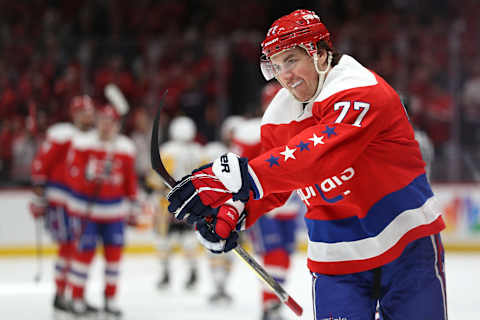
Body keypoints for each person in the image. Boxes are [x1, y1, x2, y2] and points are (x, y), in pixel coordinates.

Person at [166, 9, 447, 320]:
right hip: (336, 258)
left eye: (291, 60)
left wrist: (234, 176)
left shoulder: (363, 89)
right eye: (276, 64)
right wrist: (234, 211)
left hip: (406, 245)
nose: (284, 74)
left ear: (321, 54)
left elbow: (318, 156)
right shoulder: (278, 114)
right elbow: (279, 184)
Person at [231, 82, 303, 320]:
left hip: (290, 205)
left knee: (284, 257)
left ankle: (272, 303)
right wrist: (238, 204)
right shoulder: (251, 131)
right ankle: (268, 304)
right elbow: (238, 172)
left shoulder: (302, 125)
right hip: (265, 206)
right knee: (274, 255)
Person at [65, 104, 139, 318]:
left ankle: (110, 298)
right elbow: (72, 177)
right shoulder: (83, 144)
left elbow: (129, 180)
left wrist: (133, 203)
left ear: (116, 125)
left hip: (114, 212)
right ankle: (77, 298)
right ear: (97, 123)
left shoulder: (124, 147)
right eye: (103, 121)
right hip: (87, 210)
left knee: (114, 258)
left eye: (111, 122)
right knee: (84, 256)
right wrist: (87, 176)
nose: (106, 126)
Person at [30, 95, 95, 316]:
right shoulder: (62, 134)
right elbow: (42, 163)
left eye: (89, 111)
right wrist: (38, 197)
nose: (88, 115)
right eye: (83, 111)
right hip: (60, 200)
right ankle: (60, 294)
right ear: (74, 114)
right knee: (68, 247)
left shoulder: (92, 138)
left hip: (80, 201)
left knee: (78, 248)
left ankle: (74, 295)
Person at [146, 116, 203, 290]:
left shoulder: (167, 151)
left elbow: (155, 181)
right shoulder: (199, 151)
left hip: (167, 205)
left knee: (164, 240)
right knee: (189, 239)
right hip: (192, 203)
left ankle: (165, 274)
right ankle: (193, 273)